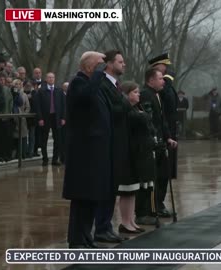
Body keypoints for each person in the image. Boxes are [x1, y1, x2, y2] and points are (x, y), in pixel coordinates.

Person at [63, 51, 108, 248]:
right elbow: (85, 98)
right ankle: (76, 239)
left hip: (94, 150)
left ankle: (86, 236)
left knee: (91, 197)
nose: (103, 69)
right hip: (83, 151)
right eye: (100, 65)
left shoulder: (94, 85)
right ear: (89, 66)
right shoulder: (78, 83)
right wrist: (98, 76)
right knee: (82, 198)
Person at [93, 50, 130, 244]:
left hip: (117, 142)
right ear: (109, 64)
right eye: (120, 61)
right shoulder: (103, 84)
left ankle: (105, 226)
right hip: (108, 143)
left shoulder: (115, 85)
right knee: (106, 189)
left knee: (112, 187)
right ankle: (101, 227)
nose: (124, 64)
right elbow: (110, 109)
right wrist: (126, 104)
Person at [136, 68, 177, 225]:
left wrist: (167, 137)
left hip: (160, 141)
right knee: (151, 178)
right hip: (152, 143)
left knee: (162, 176)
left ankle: (157, 206)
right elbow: (149, 120)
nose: (163, 81)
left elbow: (162, 120)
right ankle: (149, 210)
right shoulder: (146, 94)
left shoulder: (156, 94)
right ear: (150, 80)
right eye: (160, 78)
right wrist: (156, 138)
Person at [119, 81, 155, 233]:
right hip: (129, 153)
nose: (138, 94)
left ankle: (130, 220)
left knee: (133, 191)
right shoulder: (126, 110)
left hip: (139, 153)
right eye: (135, 92)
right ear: (127, 94)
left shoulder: (136, 108)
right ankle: (125, 222)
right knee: (127, 191)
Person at [148, 53, 180, 197]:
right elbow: (166, 101)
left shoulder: (167, 84)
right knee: (161, 170)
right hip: (162, 132)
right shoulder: (161, 86)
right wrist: (167, 80)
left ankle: (161, 200)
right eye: (163, 65)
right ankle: (158, 202)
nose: (166, 67)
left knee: (167, 170)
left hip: (169, 131)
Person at [35, 72, 65, 166]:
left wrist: (63, 117)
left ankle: (55, 159)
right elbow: (38, 106)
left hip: (56, 117)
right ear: (46, 79)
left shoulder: (59, 91)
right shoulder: (41, 91)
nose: (51, 79)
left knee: (57, 139)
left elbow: (64, 105)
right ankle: (45, 159)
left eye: (53, 77)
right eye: (49, 77)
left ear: (54, 79)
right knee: (44, 139)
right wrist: (40, 118)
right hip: (45, 117)